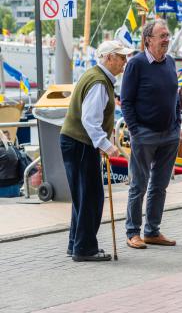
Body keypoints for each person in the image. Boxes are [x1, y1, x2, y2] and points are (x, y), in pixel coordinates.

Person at [59, 40, 132, 261]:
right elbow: (90, 121)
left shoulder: (96, 77)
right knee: (91, 197)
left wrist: (101, 143)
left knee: (83, 196)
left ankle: (77, 244)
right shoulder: (99, 83)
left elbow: (92, 120)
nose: (124, 62)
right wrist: (108, 147)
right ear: (109, 58)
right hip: (80, 142)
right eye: (121, 57)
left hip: (76, 141)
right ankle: (85, 248)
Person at [121, 19, 181, 249]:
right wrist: (135, 131)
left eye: (167, 35)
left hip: (169, 135)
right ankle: (132, 232)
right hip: (144, 134)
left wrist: (176, 124)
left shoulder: (170, 63)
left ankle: (152, 231)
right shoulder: (136, 64)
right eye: (162, 36)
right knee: (139, 185)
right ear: (148, 40)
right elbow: (125, 101)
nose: (167, 39)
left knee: (159, 186)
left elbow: (175, 96)